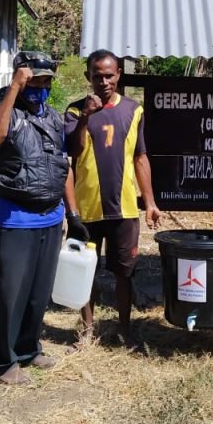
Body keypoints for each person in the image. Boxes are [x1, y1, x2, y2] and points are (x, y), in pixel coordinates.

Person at [0, 51, 86, 386]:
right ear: (20, 78)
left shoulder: (53, 118)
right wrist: (15, 88)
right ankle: (2, 361)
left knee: (38, 294)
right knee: (10, 293)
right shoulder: (2, 112)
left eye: (46, 82)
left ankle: (28, 349)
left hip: (51, 218)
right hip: (15, 219)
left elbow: (63, 165)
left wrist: (73, 213)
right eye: (34, 81)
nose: (40, 88)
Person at [64, 50, 161, 347]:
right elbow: (74, 152)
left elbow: (140, 157)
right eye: (97, 76)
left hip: (125, 209)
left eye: (109, 75)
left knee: (124, 273)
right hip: (88, 208)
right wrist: (86, 118)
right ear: (88, 77)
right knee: (85, 271)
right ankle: (87, 328)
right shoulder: (74, 111)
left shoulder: (134, 110)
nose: (103, 81)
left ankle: (124, 329)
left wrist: (151, 202)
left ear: (119, 74)